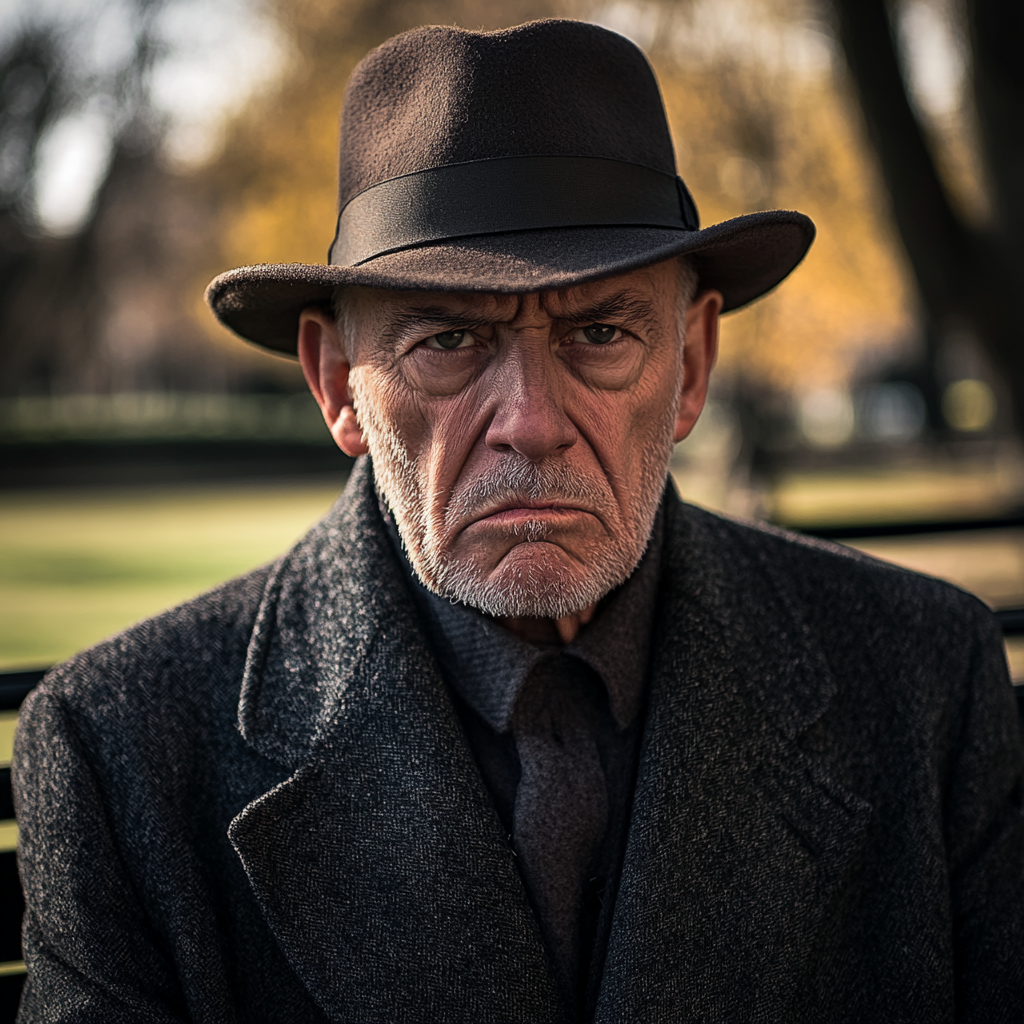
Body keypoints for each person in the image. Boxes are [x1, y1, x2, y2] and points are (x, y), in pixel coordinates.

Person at [13, 18, 1023, 1024]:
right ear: (338, 384)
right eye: (448, 339)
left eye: (599, 333)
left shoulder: (925, 681)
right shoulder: (122, 754)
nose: (532, 424)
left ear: (692, 366)